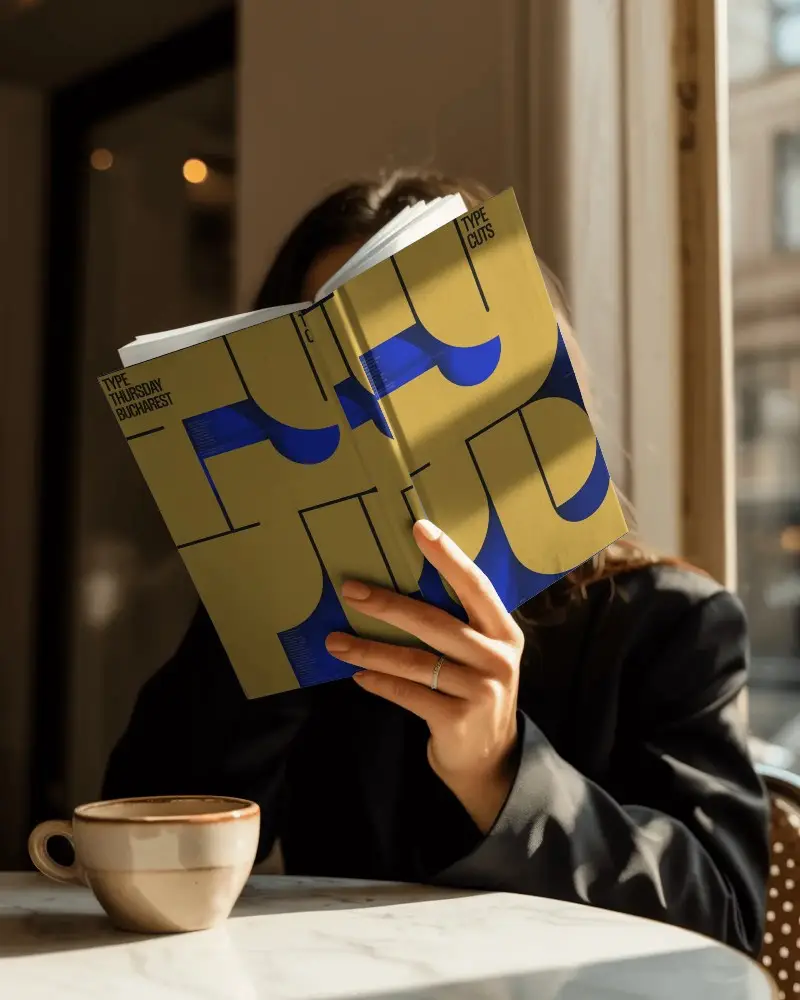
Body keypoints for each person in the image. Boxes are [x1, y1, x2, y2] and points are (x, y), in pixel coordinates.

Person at [103, 169, 770, 956]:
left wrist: (501, 770)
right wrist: (262, 607)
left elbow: (724, 922)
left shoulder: (669, 620)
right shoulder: (276, 622)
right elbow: (135, 851)